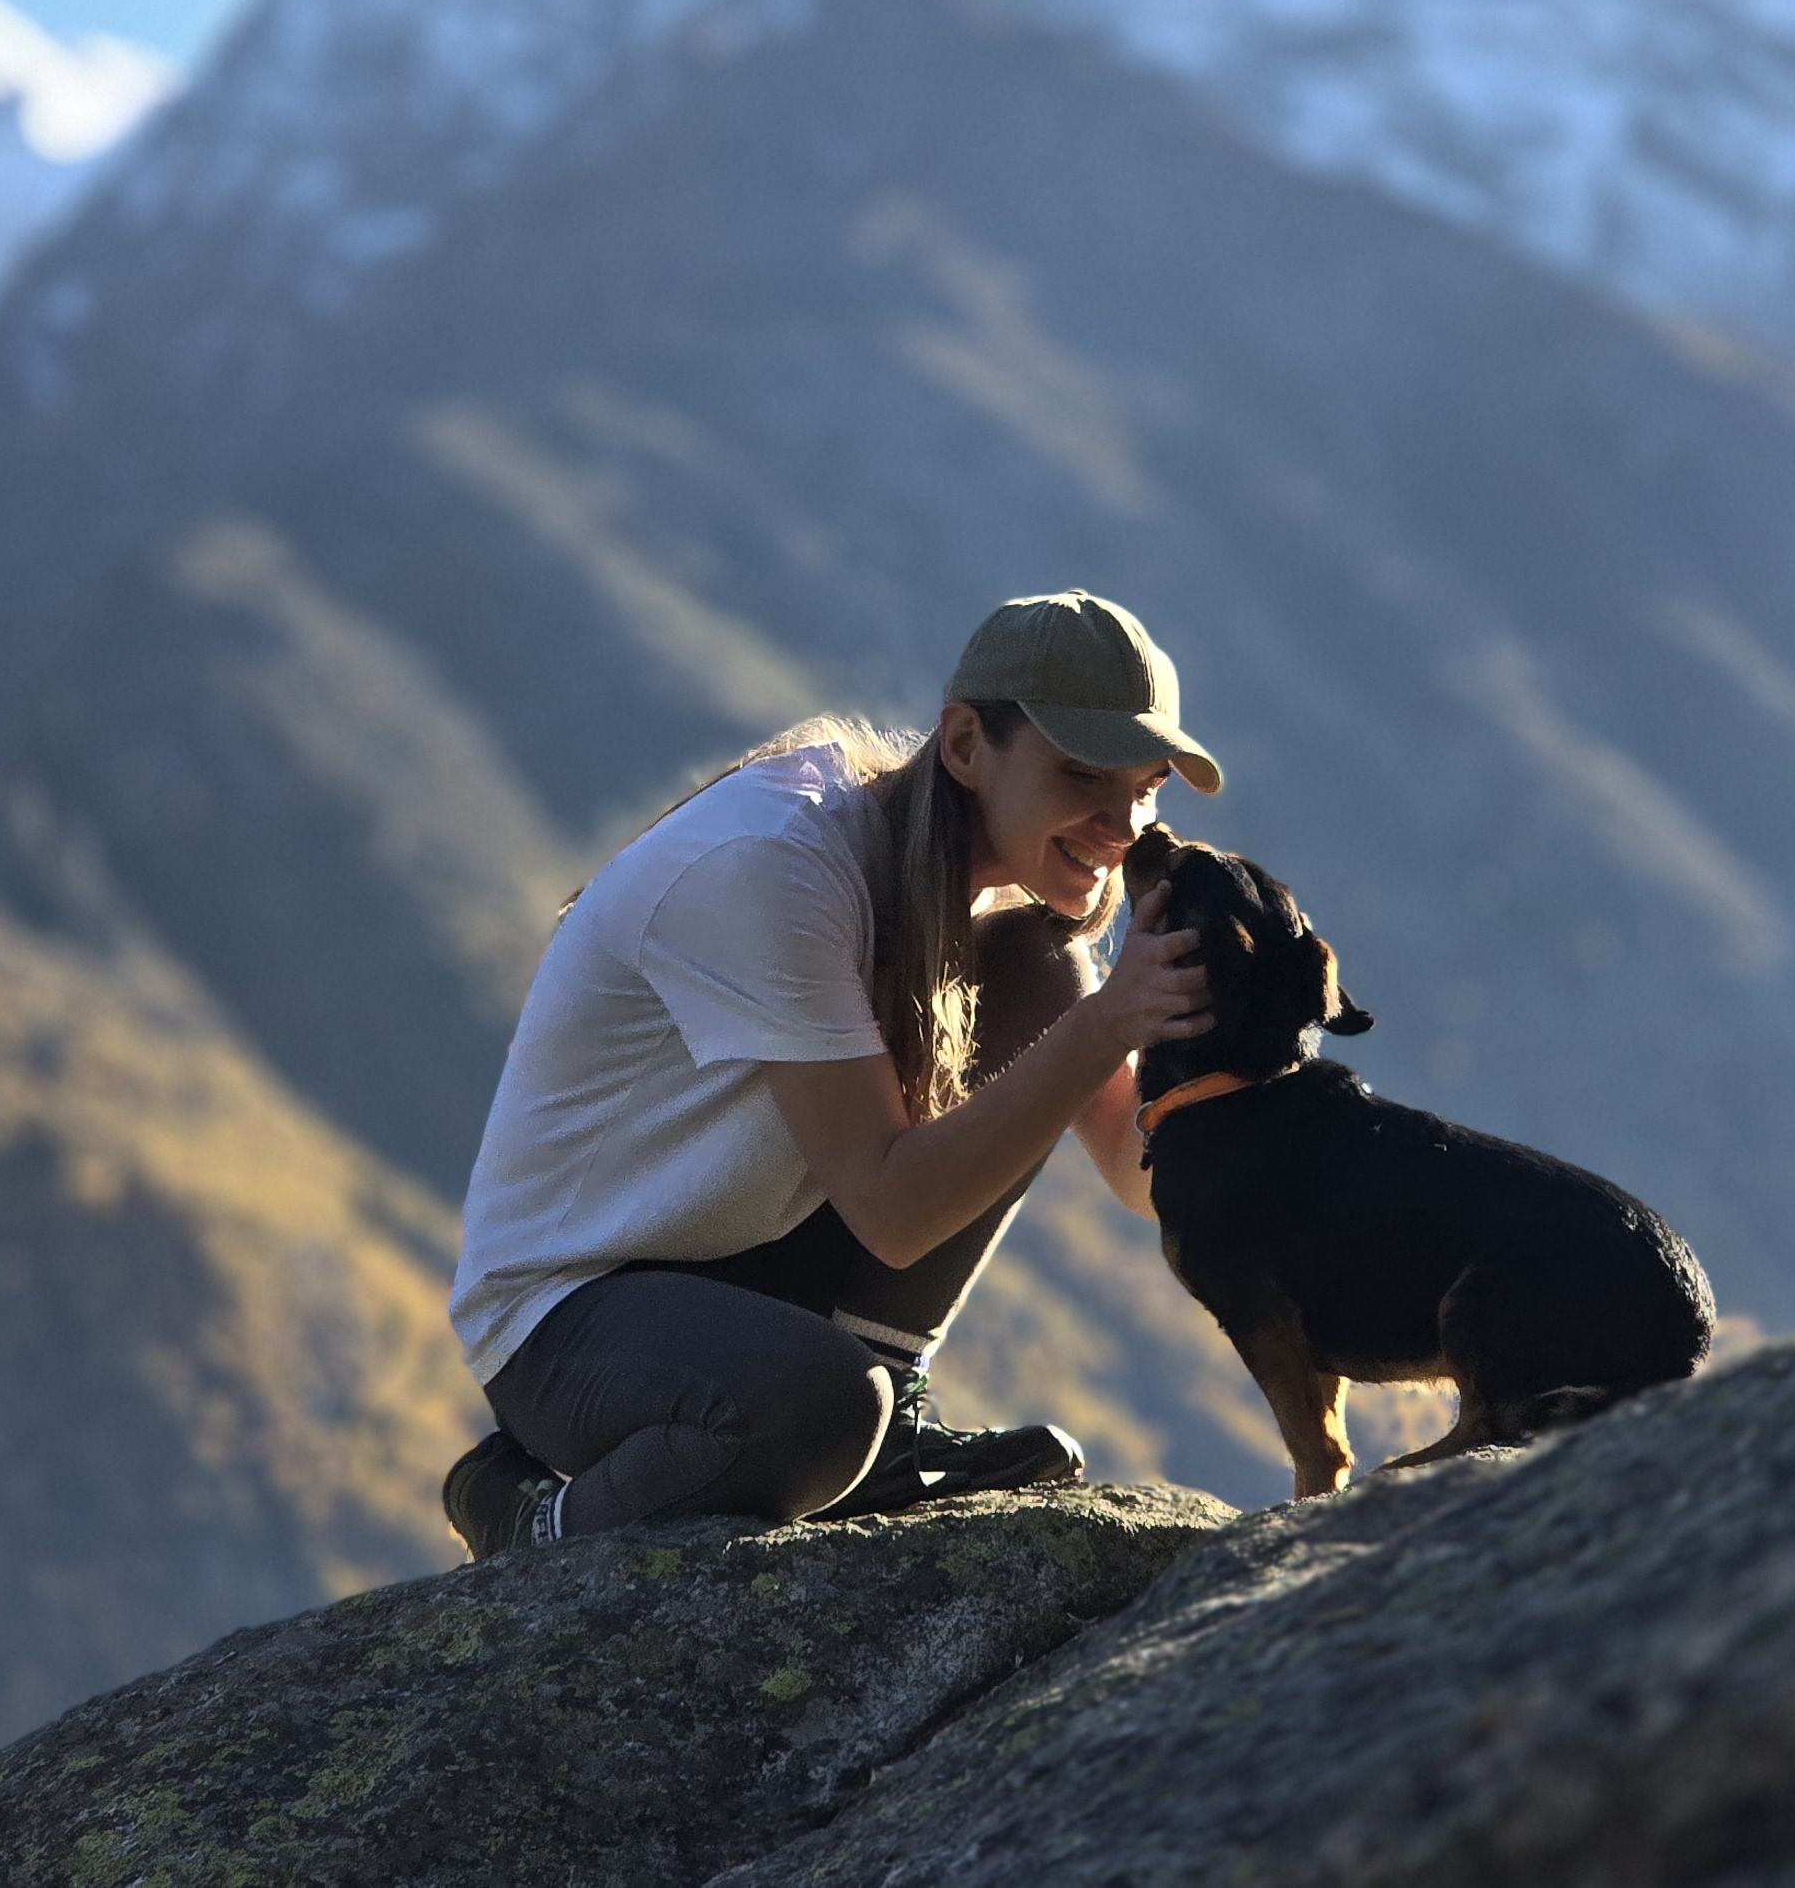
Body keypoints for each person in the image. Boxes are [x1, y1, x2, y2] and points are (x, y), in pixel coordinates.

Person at [442, 591, 1221, 1556]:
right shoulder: (776, 868)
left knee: (1041, 973)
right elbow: (893, 1211)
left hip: (737, 1252)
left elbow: (1146, 1178)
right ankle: (527, 1519)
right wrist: (1108, 1025)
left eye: (1146, 788)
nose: (1124, 825)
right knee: (816, 1416)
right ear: (967, 743)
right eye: (1081, 774)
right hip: (567, 1312)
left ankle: (887, 1438)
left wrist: (1226, 1052)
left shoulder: (954, 883)